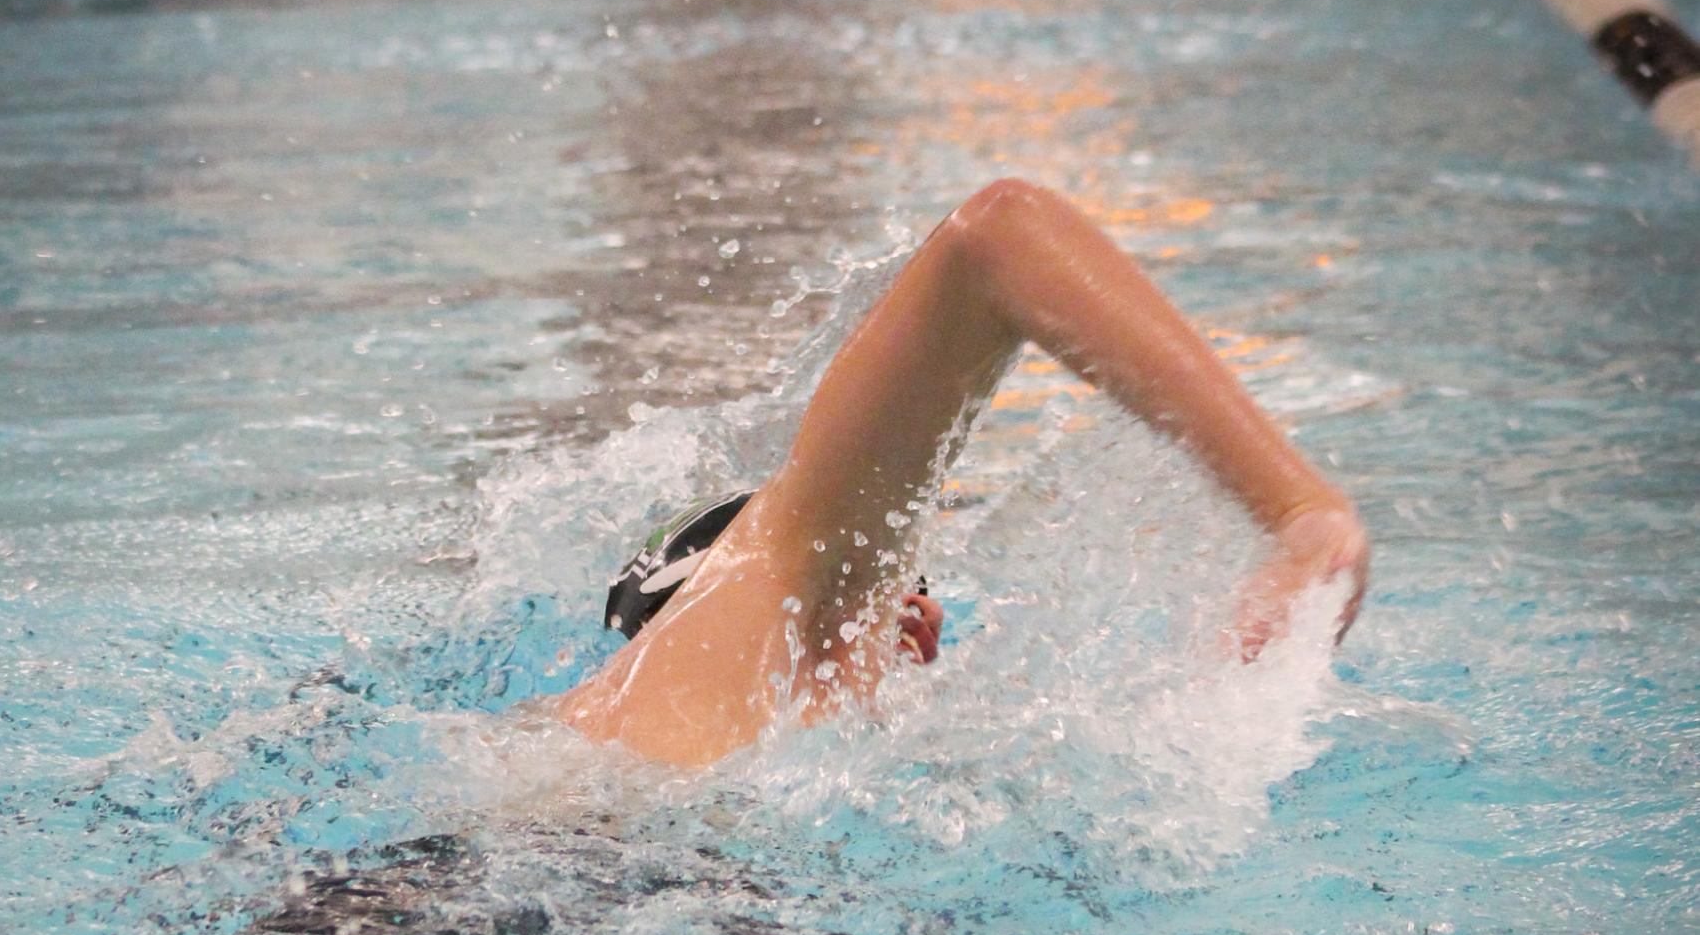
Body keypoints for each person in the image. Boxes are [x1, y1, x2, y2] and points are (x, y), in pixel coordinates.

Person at [557, 178, 1369, 769]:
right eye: (891, 591)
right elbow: (998, 237)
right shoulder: (772, 603)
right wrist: (1303, 513)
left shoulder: (580, 739)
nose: (923, 616)